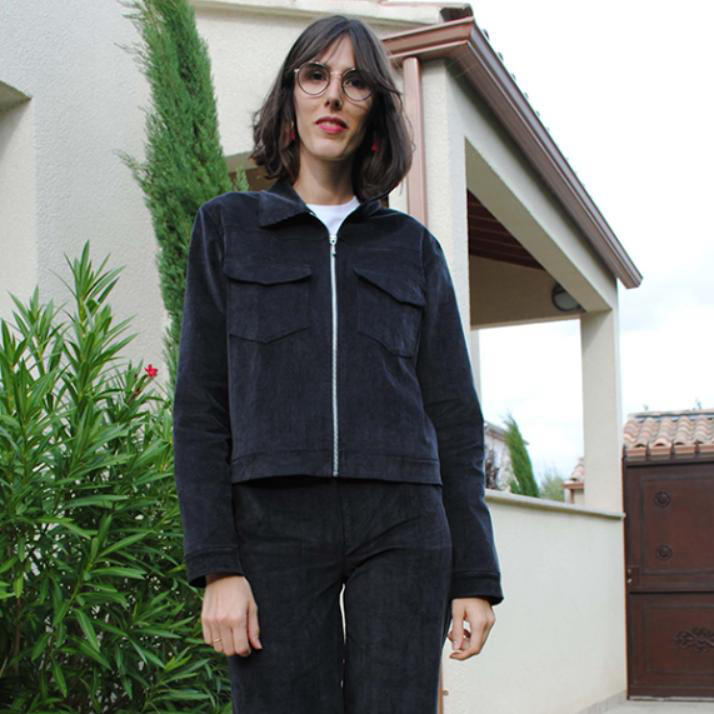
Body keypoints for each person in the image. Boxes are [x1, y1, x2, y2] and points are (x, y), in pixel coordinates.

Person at [172, 13, 504, 714]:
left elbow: (454, 416)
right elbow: (201, 406)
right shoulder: (228, 229)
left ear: (374, 107)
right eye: (315, 75)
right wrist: (217, 565)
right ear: (290, 96)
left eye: (356, 82)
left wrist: (474, 575)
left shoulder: (413, 250)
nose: (332, 95)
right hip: (273, 523)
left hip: (402, 521)